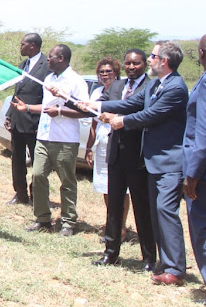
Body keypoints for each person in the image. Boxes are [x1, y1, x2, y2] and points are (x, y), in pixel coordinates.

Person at [79, 41, 188, 285]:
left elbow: (150, 114)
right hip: (151, 160)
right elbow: (133, 104)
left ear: (164, 61)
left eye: (152, 56)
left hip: (166, 160)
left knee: (163, 213)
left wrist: (122, 121)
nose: (150, 60)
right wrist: (96, 105)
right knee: (158, 212)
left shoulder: (176, 87)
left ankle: (172, 267)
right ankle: (166, 264)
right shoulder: (158, 85)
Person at [12, 44, 89, 236]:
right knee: (38, 175)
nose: (48, 59)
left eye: (51, 57)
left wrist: (61, 111)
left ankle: (68, 221)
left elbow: (84, 110)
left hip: (65, 140)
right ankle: (43, 219)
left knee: (67, 181)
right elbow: (47, 107)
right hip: (44, 137)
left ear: (61, 58)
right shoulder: (48, 79)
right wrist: (28, 108)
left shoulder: (76, 81)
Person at [90, 50, 155, 271]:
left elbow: (139, 112)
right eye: (128, 63)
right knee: (114, 206)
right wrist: (65, 101)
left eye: (136, 63)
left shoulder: (151, 87)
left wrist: (118, 119)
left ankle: (148, 258)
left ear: (145, 64)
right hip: (115, 151)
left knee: (141, 207)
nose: (131, 67)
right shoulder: (117, 87)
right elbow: (100, 107)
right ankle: (111, 253)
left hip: (138, 155)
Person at [86, 57, 130, 240]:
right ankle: (111, 222)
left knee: (122, 188)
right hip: (102, 145)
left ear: (116, 73)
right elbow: (93, 124)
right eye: (102, 72)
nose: (105, 75)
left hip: (119, 142)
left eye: (109, 71)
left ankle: (120, 227)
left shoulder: (124, 91)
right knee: (106, 186)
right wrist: (89, 148)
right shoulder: (96, 93)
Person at [4, 33, 49, 205]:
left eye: (22, 44)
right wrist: (9, 114)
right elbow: (18, 93)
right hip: (17, 121)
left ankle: (36, 195)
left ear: (32, 46)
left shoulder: (47, 67)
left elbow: (46, 97)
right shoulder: (23, 65)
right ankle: (20, 194)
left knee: (38, 164)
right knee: (17, 160)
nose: (20, 47)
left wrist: (41, 120)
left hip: (35, 123)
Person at [184, 34, 206, 285]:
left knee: (202, 230)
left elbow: (202, 134)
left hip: (202, 173)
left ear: (201, 53)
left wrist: (193, 174)